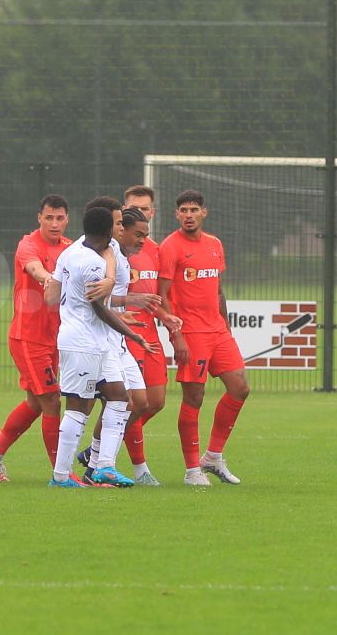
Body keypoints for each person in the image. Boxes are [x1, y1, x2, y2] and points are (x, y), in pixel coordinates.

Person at [44, 206, 155, 488]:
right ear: (107, 230)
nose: (121, 228)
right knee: (78, 407)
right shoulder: (91, 263)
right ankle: (60, 477)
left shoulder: (71, 252)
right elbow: (100, 311)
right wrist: (134, 335)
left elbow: (51, 297)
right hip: (83, 342)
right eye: (117, 224)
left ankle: (103, 466)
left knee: (119, 397)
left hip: (95, 341)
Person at [0, 195, 72, 483]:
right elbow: (33, 267)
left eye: (60, 218)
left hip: (56, 338)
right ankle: (62, 473)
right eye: (49, 218)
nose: (54, 223)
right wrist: (47, 278)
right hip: (29, 338)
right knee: (52, 401)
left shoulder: (70, 248)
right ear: (39, 218)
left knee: (35, 402)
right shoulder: (28, 244)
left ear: (67, 220)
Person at [158, 190, 250, 486]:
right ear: (177, 215)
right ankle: (191, 471)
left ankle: (212, 456)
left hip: (218, 331)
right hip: (191, 332)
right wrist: (177, 336)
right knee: (194, 397)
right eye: (183, 210)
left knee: (240, 387)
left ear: (203, 213)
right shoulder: (170, 247)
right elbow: (162, 296)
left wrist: (226, 326)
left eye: (193, 209)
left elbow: (219, 290)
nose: (188, 215)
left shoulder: (214, 244)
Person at [118, 185, 176, 485]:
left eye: (145, 209)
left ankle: (102, 445)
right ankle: (140, 470)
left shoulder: (156, 250)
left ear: (152, 212)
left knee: (156, 401)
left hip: (150, 334)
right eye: (134, 208)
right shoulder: (114, 250)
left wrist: (165, 316)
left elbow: (155, 297)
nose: (140, 212)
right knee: (134, 402)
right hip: (125, 334)